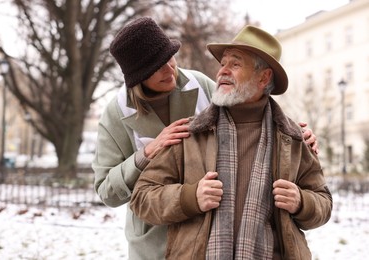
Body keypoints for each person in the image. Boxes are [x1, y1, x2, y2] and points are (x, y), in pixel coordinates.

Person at [130, 25, 332, 259]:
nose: (222, 72)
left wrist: (301, 201)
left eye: (235, 64)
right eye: (222, 64)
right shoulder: (190, 133)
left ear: (263, 77)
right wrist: (190, 197)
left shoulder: (294, 139)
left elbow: (323, 202)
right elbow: (141, 198)